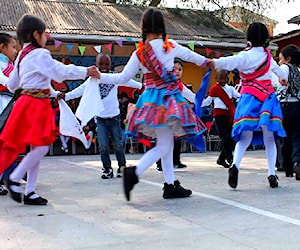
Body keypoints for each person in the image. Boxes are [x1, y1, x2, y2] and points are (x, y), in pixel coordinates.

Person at [98, 9, 208, 201]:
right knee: (165, 143)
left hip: (149, 101)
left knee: (166, 142)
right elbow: (193, 57)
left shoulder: (139, 53)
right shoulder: (169, 46)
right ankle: (135, 173)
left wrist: (99, 76)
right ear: (162, 26)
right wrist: (211, 62)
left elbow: (123, 77)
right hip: (167, 100)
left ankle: (170, 184)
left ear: (144, 27)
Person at [0, 14, 100, 205]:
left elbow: (13, 84)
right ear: (36, 34)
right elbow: (60, 71)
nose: (47, 37)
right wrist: (86, 71)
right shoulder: (40, 54)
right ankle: (15, 178)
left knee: (36, 148)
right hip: (35, 104)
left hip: (26, 102)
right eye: (45, 33)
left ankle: (30, 191)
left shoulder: (22, 55)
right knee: (41, 146)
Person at [208, 22, 288, 189]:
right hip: (267, 99)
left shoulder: (244, 56)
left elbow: (230, 62)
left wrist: (214, 62)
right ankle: (271, 174)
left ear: (248, 38)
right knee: (269, 138)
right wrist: (283, 79)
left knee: (245, 137)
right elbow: (281, 74)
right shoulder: (268, 57)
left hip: (249, 98)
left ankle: (235, 165)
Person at [65, 53, 142, 179]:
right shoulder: (92, 79)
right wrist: (66, 96)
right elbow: (80, 90)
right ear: (96, 65)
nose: (104, 67)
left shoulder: (114, 77)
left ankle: (122, 167)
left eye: (107, 64)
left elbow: (127, 81)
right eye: (101, 64)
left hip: (114, 118)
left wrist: (141, 86)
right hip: (100, 119)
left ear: (110, 64)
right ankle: (107, 169)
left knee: (118, 144)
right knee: (103, 146)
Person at [156, 58, 195, 172]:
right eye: (174, 69)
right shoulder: (164, 84)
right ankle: (159, 163)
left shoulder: (181, 86)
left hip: (175, 118)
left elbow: (192, 97)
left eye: (180, 69)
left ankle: (176, 161)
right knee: (163, 140)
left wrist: (205, 100)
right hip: (163, 116)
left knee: (177, 139)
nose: (177, 72)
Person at [201, 69, 240, 168]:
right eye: (220, 78)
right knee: (225, 137)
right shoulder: (214, 89)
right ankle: (230, 158)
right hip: (219, 116)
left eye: (224, 78)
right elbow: (208, 102)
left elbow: (239, 96)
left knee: (231, 138)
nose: (222, 80)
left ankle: (221, 159)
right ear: (216, 78)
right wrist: (197, 103)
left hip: (229, 115)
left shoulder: (230, 89)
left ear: (227, 78)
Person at [277, 44, 300, 179]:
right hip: (298, 106)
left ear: (288, 58)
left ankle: (287, 167)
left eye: (280, 59)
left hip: (284, 106)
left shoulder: (284, 68)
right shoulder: (298, 70)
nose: (279, 62)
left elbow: (281, 81)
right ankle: (297, 161)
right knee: (297, 138)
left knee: (284, 138)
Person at [0, 32, 17, 195]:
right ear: (2, 48)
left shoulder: (11, 65)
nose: (15, 50)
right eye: (12, 47)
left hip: (10, 104)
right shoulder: (1, 64)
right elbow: (6, 81)